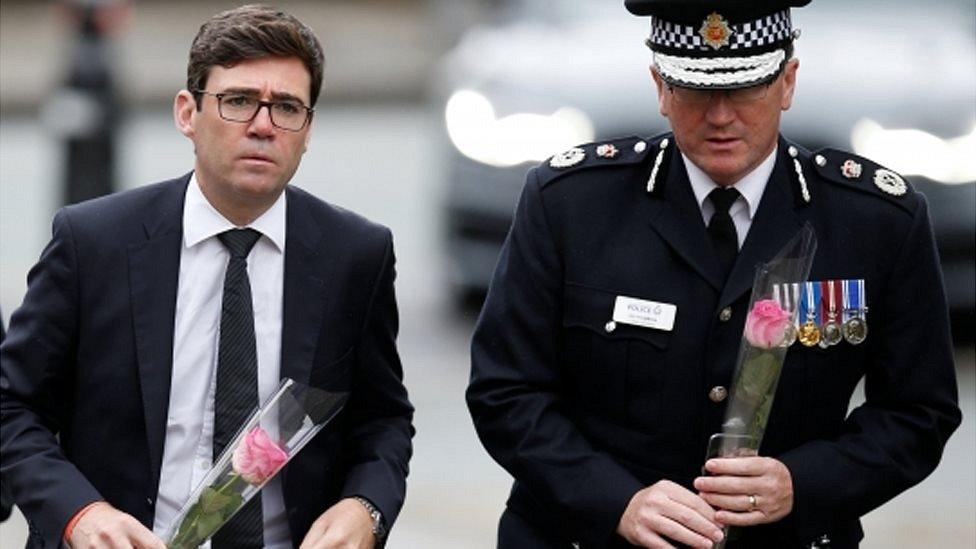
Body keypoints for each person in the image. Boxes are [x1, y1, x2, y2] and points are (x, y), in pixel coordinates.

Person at [466, 1, 961, 548]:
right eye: (698, 91)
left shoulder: (874, 220)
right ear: (660, 87)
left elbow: (920, 410)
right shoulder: (570, 205)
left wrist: (803, 483)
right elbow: (505, 390)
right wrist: (615, 501)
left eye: (746, 89)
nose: (721, 117)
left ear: (788, 82)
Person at [0, 5, 413, 549]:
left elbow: (381, 420)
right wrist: (80, 515)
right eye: (239, 101)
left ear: (308, 129)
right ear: (187, 113)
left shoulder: (353, 255)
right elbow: (13, 407)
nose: (263, 125)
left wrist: (366, 509)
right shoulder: (94, 242)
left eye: (287, 107)